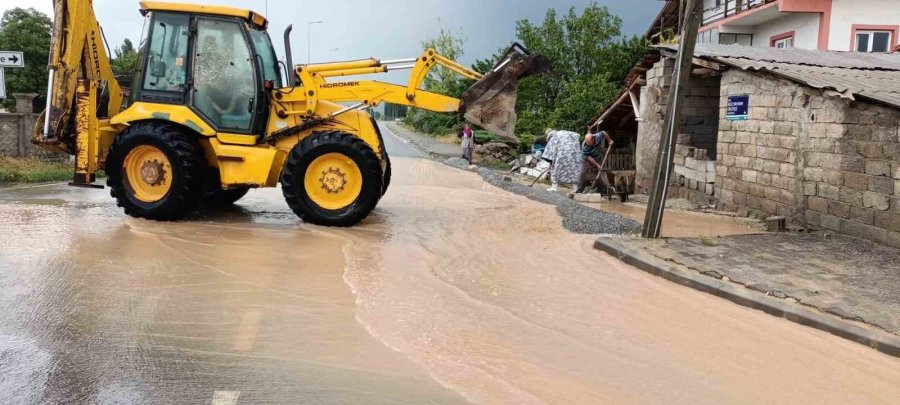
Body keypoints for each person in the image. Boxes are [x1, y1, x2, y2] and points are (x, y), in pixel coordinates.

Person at [577, 128, 615, 193]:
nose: (587, 143)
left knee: (599, 173)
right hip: (587, 160)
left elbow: (603, 132)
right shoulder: (585, 145)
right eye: (586, 142)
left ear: (593, 139)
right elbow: (588, 157)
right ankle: (579, 190)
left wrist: (609, 140)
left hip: (597, 157)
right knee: (582, 174)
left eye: (589, 142)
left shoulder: (597, 136)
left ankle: (601, 190)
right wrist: (597, 165)